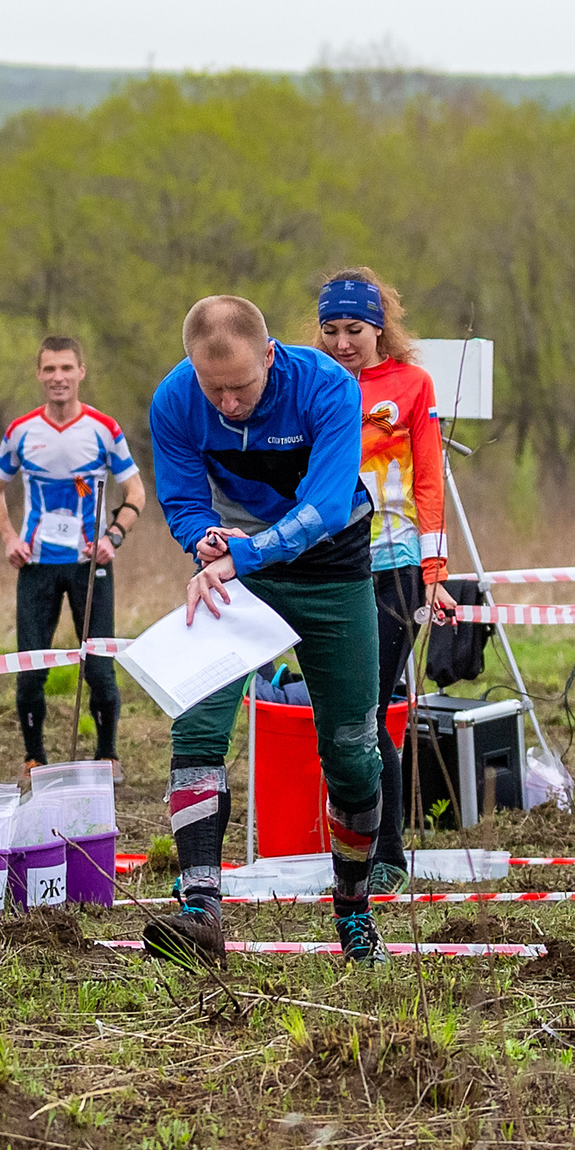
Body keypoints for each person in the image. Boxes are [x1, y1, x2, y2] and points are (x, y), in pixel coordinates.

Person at [146, 295, 385, 966]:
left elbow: (326, 506)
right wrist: (203, 541)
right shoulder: (173, 398)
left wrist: (240, 553)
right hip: (234, 570)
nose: (227, 402)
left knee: (351, 750)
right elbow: (185, 501)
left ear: (271, 354)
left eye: (241, 386)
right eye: (212, 387)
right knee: (196, 722)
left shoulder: (327, 386)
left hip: (332, 567)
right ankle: (200, 911)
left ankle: (355, 912)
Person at [310, 269, 451, 893]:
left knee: (368, 709)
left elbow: (428, 483)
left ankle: (386, 852)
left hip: (392, 566)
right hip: (327, 566)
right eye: (332, 330)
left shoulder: (411, 385)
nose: (344, 343)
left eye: (356, 330)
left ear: (379, 329)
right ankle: (358, 841)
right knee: (345, 711)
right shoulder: (307, 385)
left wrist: (435, 570)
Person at [0, 335, 145, 775]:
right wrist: (7, 537)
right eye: (50, 369)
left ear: (81, 372)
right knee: (30, 667)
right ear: (39, 374)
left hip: (89, 565)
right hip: (36, 564)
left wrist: (113, 535)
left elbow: (136, 490)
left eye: (66, 368)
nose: (58, 377)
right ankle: (34, 758)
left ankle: (107, 756)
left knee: (98, 666)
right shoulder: (21, 431)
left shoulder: (104, 428)